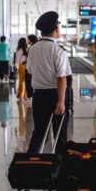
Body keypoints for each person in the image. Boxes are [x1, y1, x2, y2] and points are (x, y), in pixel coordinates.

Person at [26, 11, 72, 154]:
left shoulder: (33, 50)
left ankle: (30, 164)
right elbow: (62, 78)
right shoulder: (58, 51)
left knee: (39, 132)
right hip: (56, 95)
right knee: (59, 135)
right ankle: (58, 169)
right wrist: (61, 101)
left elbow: (30, 71)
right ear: (56, 29)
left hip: (39, 96)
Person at [25, 35, 38, 101]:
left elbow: (28, 59)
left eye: (28, 39)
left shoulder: (31, 48)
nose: (27, 41)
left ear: (31, 40)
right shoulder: (37, 47)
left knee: (29, 83)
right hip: (36, 67)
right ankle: (31, 97)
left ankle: (30, 97)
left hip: (30, 68)